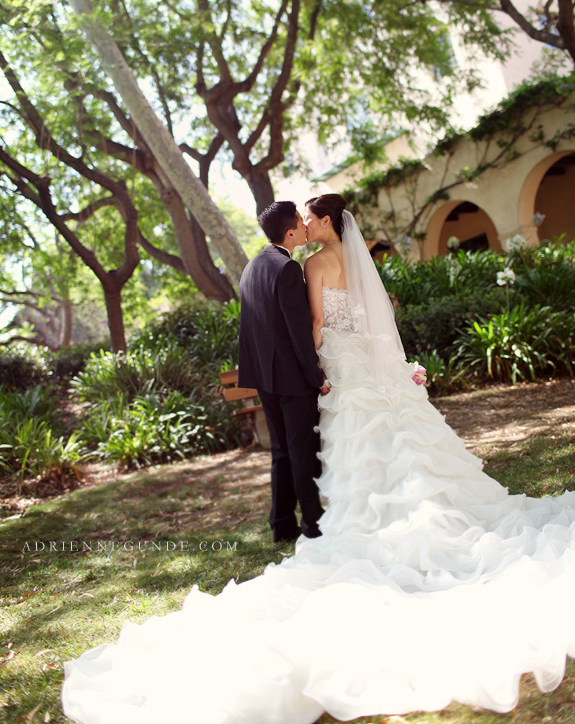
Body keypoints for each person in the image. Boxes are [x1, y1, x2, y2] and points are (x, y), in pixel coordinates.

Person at [62, 195, 575, 724]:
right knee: (394, 438)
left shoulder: (308, 264)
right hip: (373, 367)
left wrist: (319, 370)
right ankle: (356, 512)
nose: (305, 224)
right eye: (301, 220)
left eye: (310, 217)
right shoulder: (358, 260)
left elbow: (314, 324)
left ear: (327, 221)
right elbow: (372, 320)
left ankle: (325, 520)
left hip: (337, 369)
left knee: (330, 446)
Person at [237, 200, 329, 542]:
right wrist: (316, 376)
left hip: (263, 377)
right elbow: (298, 330)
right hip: (290, 378)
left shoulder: (252, 266)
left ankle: (281, 525)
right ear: (289, 233)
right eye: (300, 225)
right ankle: (313, 523)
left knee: (282, 451)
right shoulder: (287, 269)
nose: (306, 228)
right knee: (302, 450)